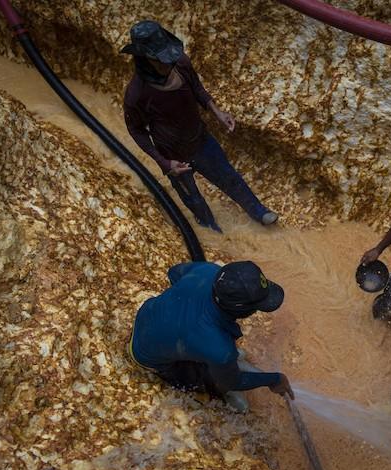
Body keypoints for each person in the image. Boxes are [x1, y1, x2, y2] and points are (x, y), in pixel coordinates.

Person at [121, 20, 278, 232]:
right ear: (143, 60)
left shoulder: (181, 63)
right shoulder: (137, 94)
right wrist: (165, 163)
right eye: (160, 60)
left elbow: (197, 88)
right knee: (193, 199)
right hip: (173, 156)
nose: (168, 64)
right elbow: (136, 130)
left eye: (168, 57)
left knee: (229, 178)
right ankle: (213, 232)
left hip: (201, 141)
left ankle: (259, 212)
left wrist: (218, 112)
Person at [128, 260, 293, 412]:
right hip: (143, 353)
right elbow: (231, 382)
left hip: (145, 315)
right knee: (211, 384)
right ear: (242, 310)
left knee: (213, 352)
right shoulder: (219, 348)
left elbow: (174, 273)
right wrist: (274, 380)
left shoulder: (208, 270)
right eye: (256, 307)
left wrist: (181, 307)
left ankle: (211, 358)